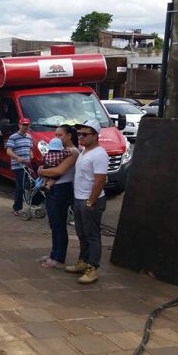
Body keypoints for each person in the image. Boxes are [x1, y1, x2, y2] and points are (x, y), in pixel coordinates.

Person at [66, 120, 109, 284]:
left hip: (90, 201)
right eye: (79, 134)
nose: (81, 137)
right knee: (81, 233)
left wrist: (91, 202)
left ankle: (93, 268)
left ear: (95, 136)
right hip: (79, 199)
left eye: (85, 134)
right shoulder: (84, 152)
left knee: (92, 235)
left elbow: (99, 181)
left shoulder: (99, 154)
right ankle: (83, 261)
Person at [37, 125, 79, 269]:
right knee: (54, 224)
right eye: (55, 135)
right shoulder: (57, 151)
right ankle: (54, 254)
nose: (56, 138)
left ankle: (59, 258)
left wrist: (42, 171)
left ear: (69, 136)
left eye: (60, 135)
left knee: (59, 224)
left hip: (62, 189)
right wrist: (43, 171)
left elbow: (58, 171)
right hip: (53, 189)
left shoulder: (73, 152)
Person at [6, 118, 33, 216]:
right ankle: (17, 208)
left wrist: (31, 156)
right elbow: (8, 151)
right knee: (20, 186)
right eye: (24, 125)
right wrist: (17, 157)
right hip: (18, 166)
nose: (25, 127)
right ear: (19, 125)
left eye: (27, 125)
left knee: (30, 185)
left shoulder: (29, 137)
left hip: (27, 165)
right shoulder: (13, 137)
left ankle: (31, 205)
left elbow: (30, 149)